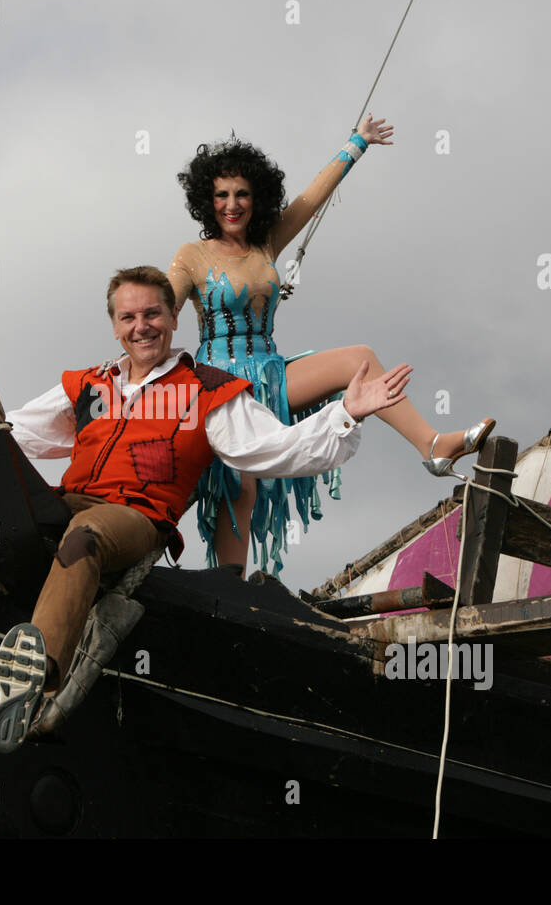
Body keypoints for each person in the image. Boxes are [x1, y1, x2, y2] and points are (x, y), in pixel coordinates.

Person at [0, 265, 413, 780]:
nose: (141, 326)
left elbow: (277, 451)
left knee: (85, 536)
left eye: (153, 313)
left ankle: (30, 683)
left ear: (171, 317)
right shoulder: (89, 386)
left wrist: (346, 413)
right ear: (115, 324)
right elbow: (4, 432)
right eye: (128, 316)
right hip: (67, 503)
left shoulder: (210, 390)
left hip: (133, 520)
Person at [167, 120, 493, 576]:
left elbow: (311, 198)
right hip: (220, 388)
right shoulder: (192, 256)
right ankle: (225, 586)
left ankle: (433, 446)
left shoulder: (265, 244)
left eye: (241, 193)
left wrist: (357, 143)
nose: (232, 204)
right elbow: (161, 307)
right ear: (208, 200)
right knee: (236, 487)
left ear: (255, 197)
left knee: (360, 358)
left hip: (272, 374)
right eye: (221, 195)